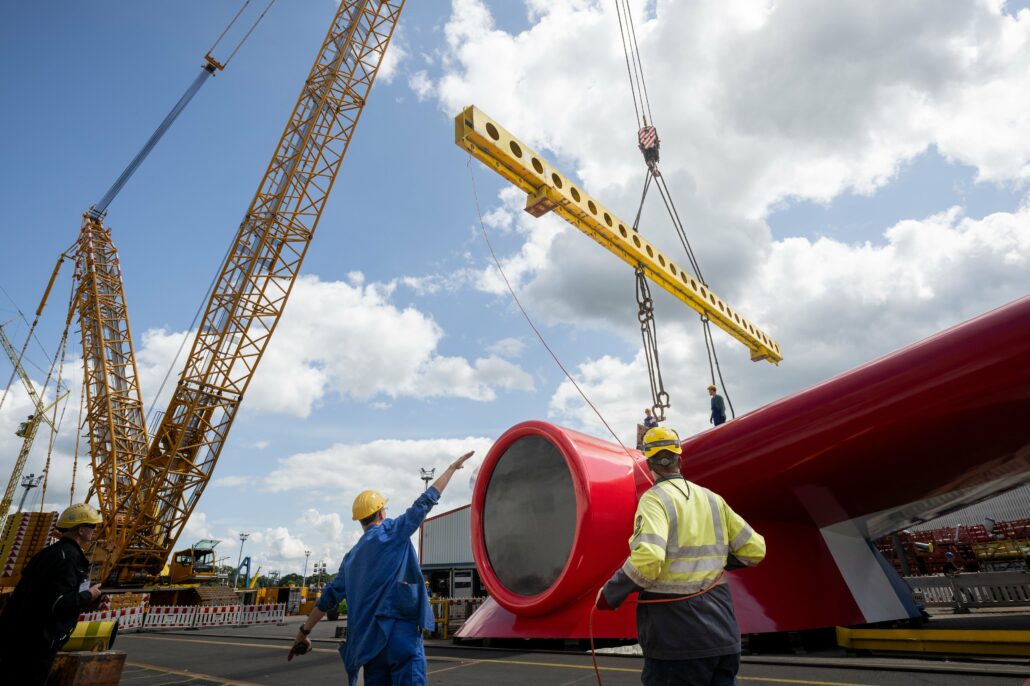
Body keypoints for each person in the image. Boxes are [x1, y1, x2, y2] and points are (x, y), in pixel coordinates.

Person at [596, 427, 765, 686]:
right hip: (723, 636)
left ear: (649, 463)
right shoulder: (713, 499)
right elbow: (755, 550)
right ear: (680, 460)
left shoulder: (654, 500)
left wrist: (610, 594)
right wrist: (717, 561)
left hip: (676, 642)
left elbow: (649, 560)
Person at [289, 450, 475, 685]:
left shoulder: (351, 559)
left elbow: (327, 599)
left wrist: (303, 633)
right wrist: (451, 469)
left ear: (360, 521)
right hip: (401, 635)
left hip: (370, 644)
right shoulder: (392, 533)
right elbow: (425, 503)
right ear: (380, 512)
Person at [0, 503, 103, 685]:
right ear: (80, 530)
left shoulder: (47, 554)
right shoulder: (69, 558)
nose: (95, 530)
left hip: (16, 635)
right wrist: (89, 594)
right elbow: (60, 603)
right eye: (92, 526)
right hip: (38, 643)